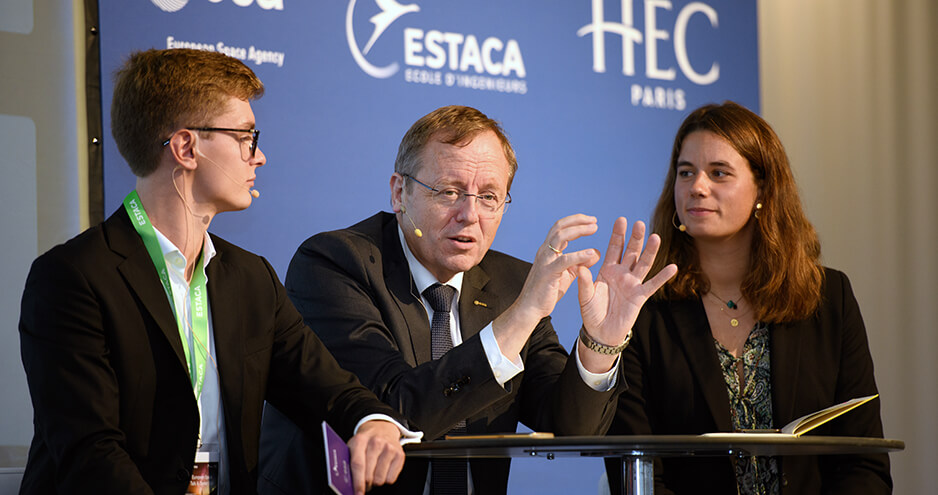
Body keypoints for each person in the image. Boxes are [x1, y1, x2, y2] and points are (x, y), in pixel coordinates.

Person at [18, 48, 419, 495]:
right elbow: (90, 453)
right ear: (186, 147)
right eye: (247, 136)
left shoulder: (251, 279)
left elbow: (327, 389)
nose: (259, 156)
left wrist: (372, 421)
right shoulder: (72, 277)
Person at [258, 105, 677, 494]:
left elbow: (569, 427)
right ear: (399, 194)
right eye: (448, 191)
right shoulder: (336, 264)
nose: (470, 214)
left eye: (489, 196)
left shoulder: (511, 282)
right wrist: (524, 314)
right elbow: (390, 409)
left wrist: (598, 344)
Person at [604, 101, 892, 494]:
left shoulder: (830, 298)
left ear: (763, 188)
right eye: (685, 173)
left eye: (718, 173)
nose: (697, 187)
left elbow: (864, 462)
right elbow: (635, 471)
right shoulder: (645, 308)